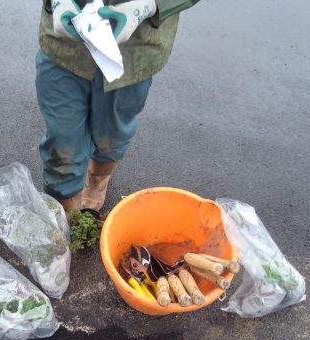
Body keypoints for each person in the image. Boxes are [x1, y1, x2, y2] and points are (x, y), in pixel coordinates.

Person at [36, 0, 198, 210]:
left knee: (111, 134)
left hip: (133, 50)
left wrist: (149, 5)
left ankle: (98, 179)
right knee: (62, 139)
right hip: (66, 43)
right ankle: (63, 206)